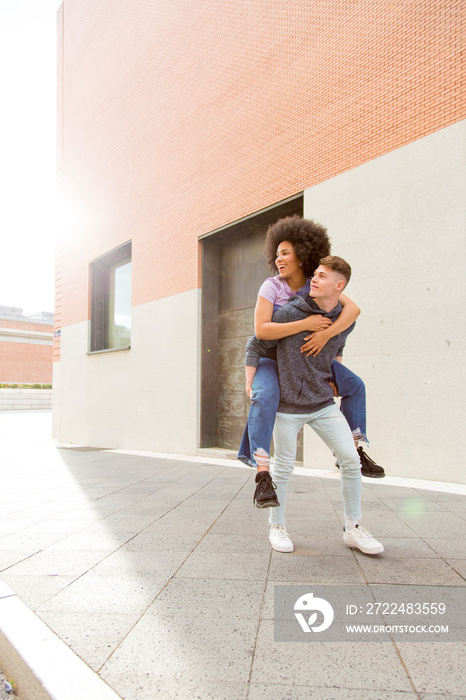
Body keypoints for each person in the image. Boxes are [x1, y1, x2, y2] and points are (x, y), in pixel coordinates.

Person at [238, 217, 384, 510]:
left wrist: (328, 337)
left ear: (303, 254)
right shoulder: (272, 287)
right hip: (272, 358)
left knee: (355, 385)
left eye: (286, 253)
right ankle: (263, 476)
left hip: (308, 361)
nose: (278, 259)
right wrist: (305, 323)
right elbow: (260, 332)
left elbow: (351, 311)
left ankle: (356, 451)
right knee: (265, 396)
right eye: (276, 254)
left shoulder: (313, 284)